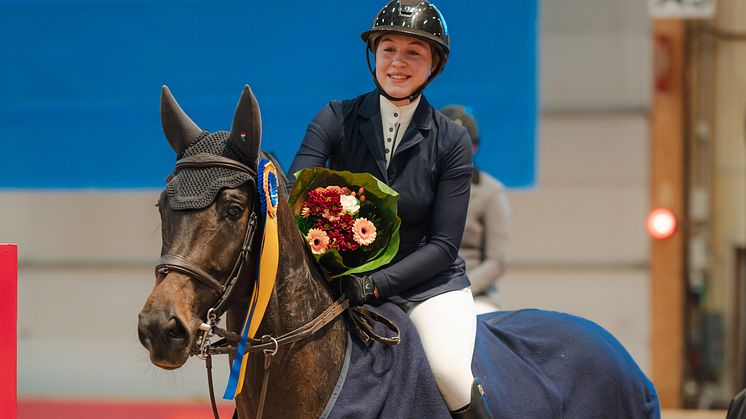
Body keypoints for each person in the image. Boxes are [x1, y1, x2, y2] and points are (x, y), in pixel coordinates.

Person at [288, 1, 492, 417]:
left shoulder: (450, 140)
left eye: (413, 52)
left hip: (427, 286)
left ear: (433, 64)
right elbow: (296, 194)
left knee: (450, 374)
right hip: (342, 282)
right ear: (374, 56)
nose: (398, 62)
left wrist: (373, 285)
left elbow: (443, 245)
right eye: (388, 50)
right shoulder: (334, 118)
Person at [439, 105, 511, 314]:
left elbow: (497, 260)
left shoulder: (491, 192)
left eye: (462, 142)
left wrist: (460, 289)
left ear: (475, 146)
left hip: (473, 294)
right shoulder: (418, 186)